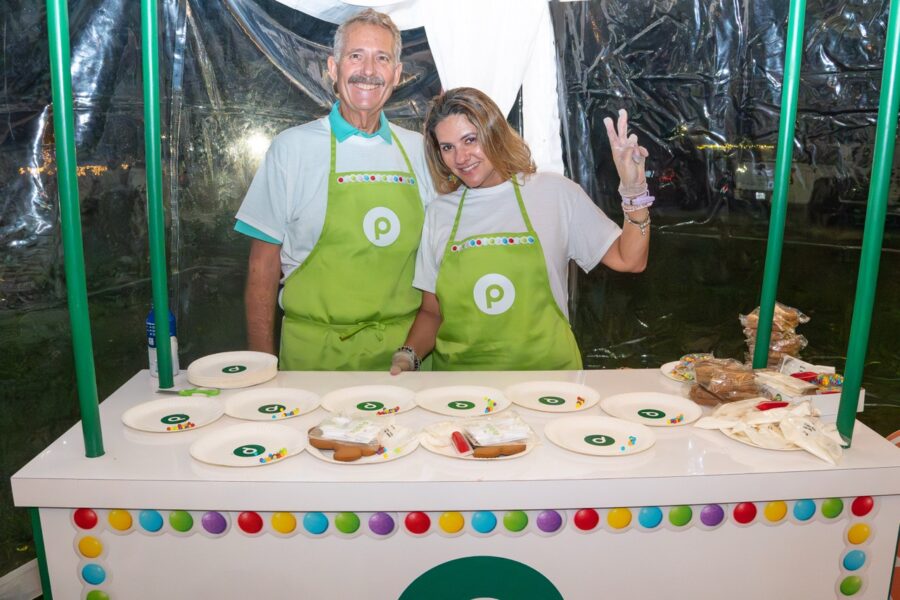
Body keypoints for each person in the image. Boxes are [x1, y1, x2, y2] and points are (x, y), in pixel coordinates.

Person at [391, 87, 650, 373]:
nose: (461, 157)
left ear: (495, 133)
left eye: (470, 140)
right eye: (447, 147)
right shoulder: (440, 213)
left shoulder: (554, 193)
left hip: (548, 381)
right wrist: (408, 355)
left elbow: (630, 259)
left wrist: (634, 190)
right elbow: (432, 311)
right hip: (461, 387)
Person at [235, 9, 434, 370]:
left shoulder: (420, 151)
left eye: (382, 58)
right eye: (355, 56)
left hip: (404, 359)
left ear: (398, 73)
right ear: (333, 67)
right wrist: (261, 369)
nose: (368, 70)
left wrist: (416, 351)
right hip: (314, 358)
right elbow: (261, 267)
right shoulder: (290, 149)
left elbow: (441, 264)